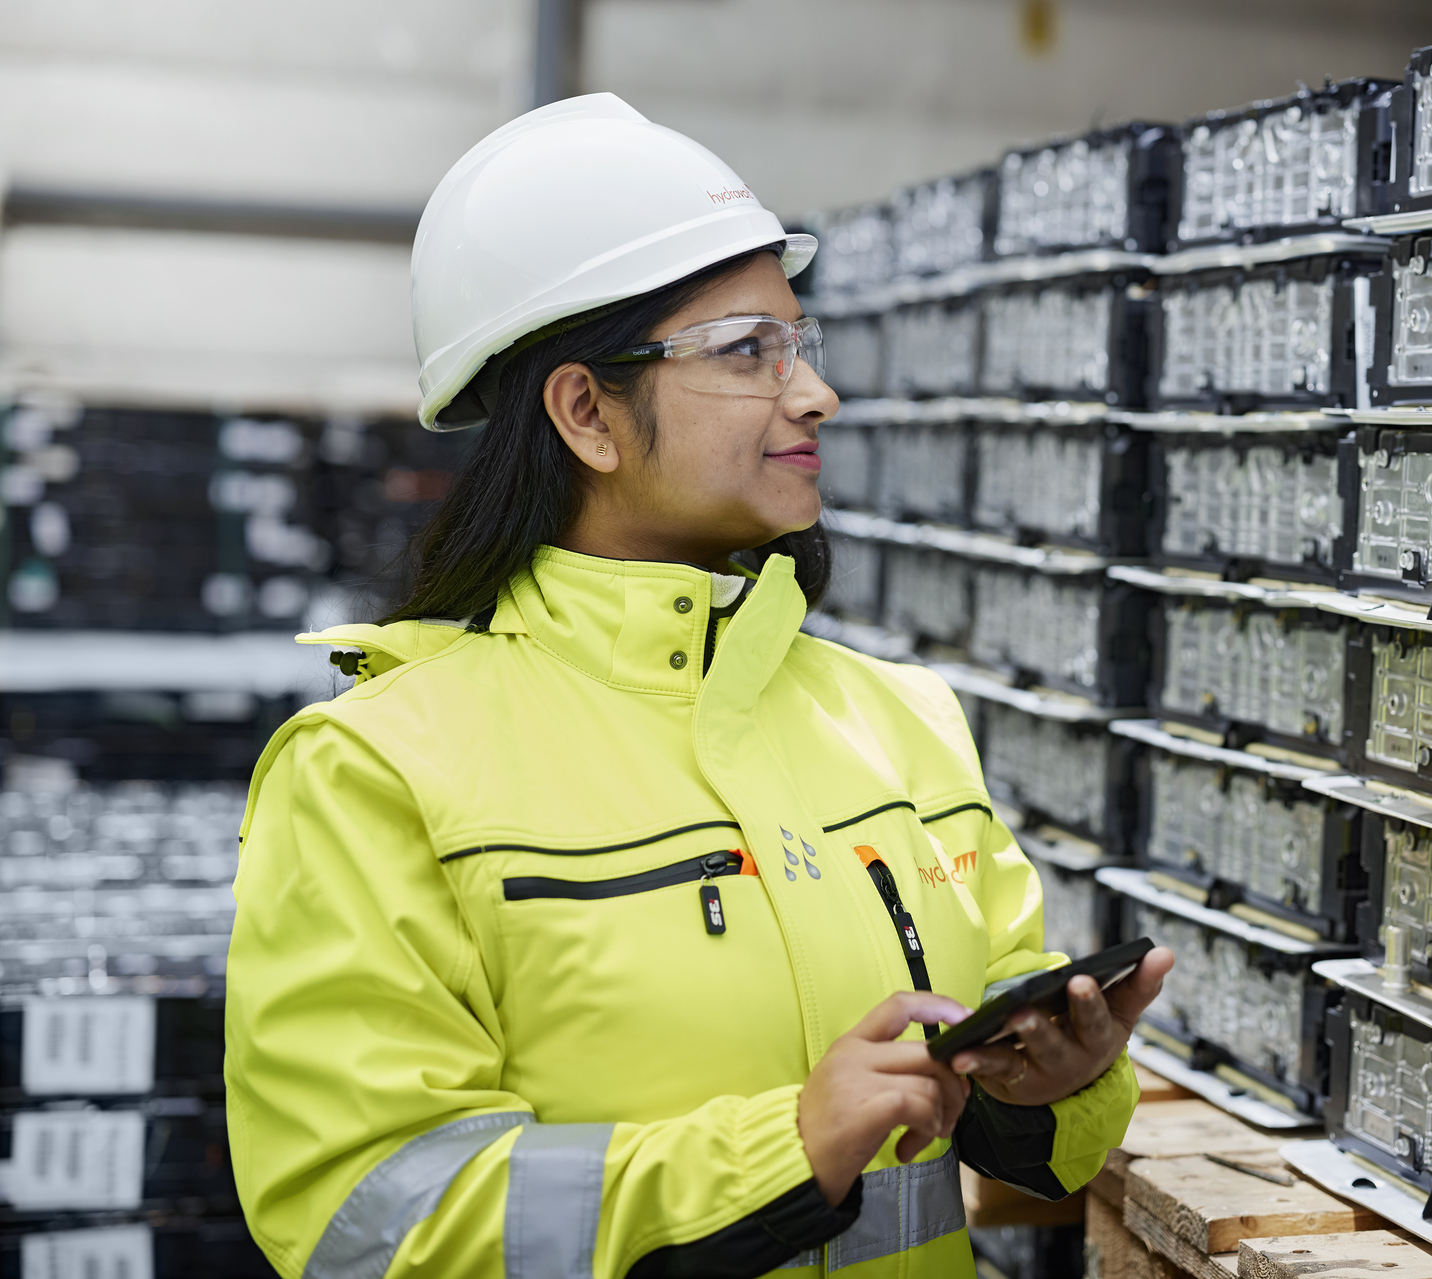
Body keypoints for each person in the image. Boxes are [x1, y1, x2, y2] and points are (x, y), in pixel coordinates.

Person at [224, 93, 1173, 1279]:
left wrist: (1051, 1085)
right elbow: (371, 1217)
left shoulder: (899, 720)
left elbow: (1004, 1111)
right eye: (745, 353)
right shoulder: (381, 770)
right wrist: (783, 1147)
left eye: (799, 342)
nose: (812, 394)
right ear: (585, 411)